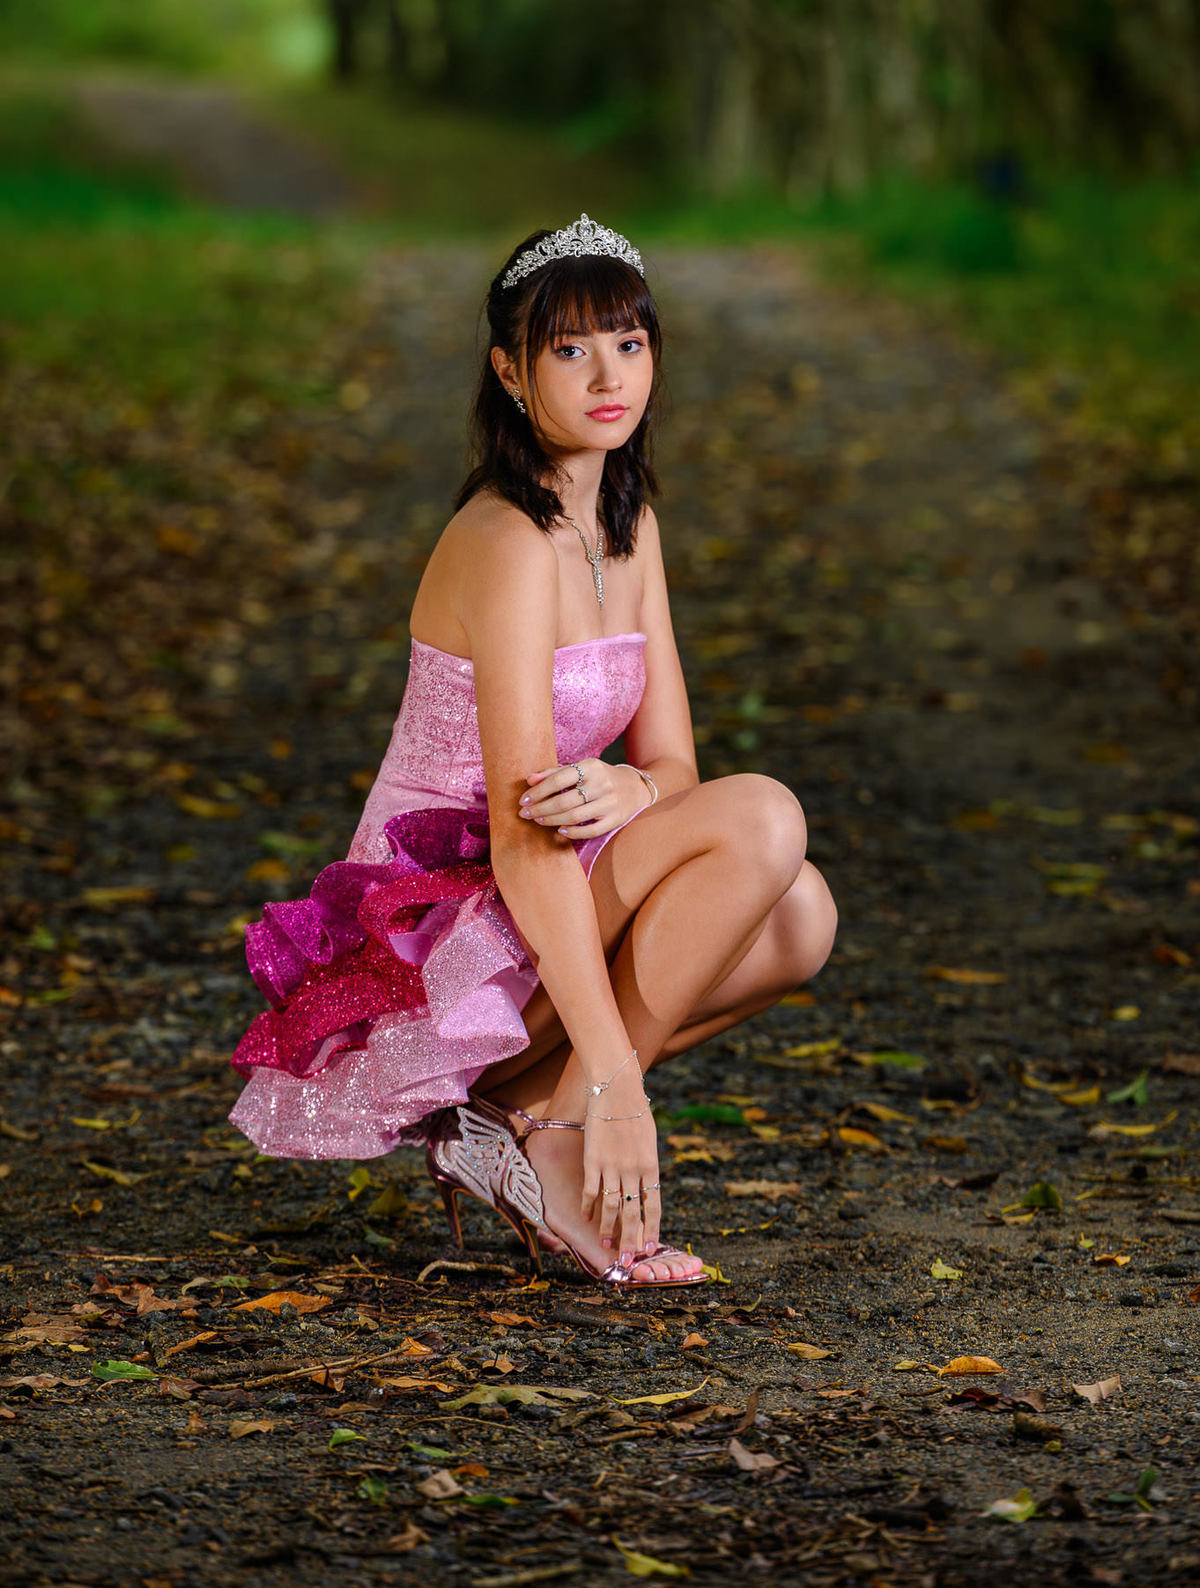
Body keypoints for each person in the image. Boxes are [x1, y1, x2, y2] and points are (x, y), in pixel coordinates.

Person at [228, 213, 838, 1287]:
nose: (609, 374)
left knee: (800, 914)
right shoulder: (504, 542)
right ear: (511, 370)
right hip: (447, 936)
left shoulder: (629, 523)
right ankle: (564, 1132)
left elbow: (680, 771)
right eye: (571, 349)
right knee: (767, 818)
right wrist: (619, 1076)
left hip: (545, 909)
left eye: (630, 343)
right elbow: (520, 839)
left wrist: (630, 782)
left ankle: (526, 1121)